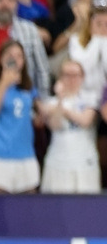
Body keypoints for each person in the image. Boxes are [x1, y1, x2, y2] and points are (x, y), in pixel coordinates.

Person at [0, 40, 40, 194]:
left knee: (27, 212)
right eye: (10, 55)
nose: (15, 59)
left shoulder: (28, 85)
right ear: (1, 58)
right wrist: (4, 83)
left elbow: (37, 115)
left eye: (19, 56)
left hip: (25, 156)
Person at [42, 59, 99, 192]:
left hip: (84, 162)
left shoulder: (90, 98)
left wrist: (64, 111)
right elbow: (54, 125)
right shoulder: (52, 101)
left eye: (75, 75)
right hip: (58, 162)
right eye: (67, 75)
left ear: (82, 77)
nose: (71, 79)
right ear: (60, 77)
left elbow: (85, 121)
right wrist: (60, 99)